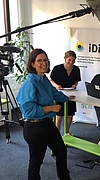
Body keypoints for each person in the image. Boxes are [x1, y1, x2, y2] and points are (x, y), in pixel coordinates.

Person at [16, 49, 73, 180]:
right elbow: (29, 111)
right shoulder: (30, 83)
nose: (44, 63)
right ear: (32, 64)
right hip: (35, 128)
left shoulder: (43, 79)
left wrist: (68, 97)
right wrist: (51, 108)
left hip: (47, 124)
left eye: (45, 60)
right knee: (36, 163)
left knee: (61, 151)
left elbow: (54, 93)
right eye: (39, 60)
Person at [50, 50, 81, 135]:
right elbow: (51, 80)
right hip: (60, 94)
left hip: (71, 94)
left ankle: (67, 132)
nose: (71, 62)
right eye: (69, 60)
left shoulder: (76, 69)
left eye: (73, 60)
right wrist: (56, 86)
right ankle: (56, 133)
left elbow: (76, 81)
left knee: (70, 115)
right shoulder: (57, 69)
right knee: (59, 115)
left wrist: (75, 85)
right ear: (65, 59)